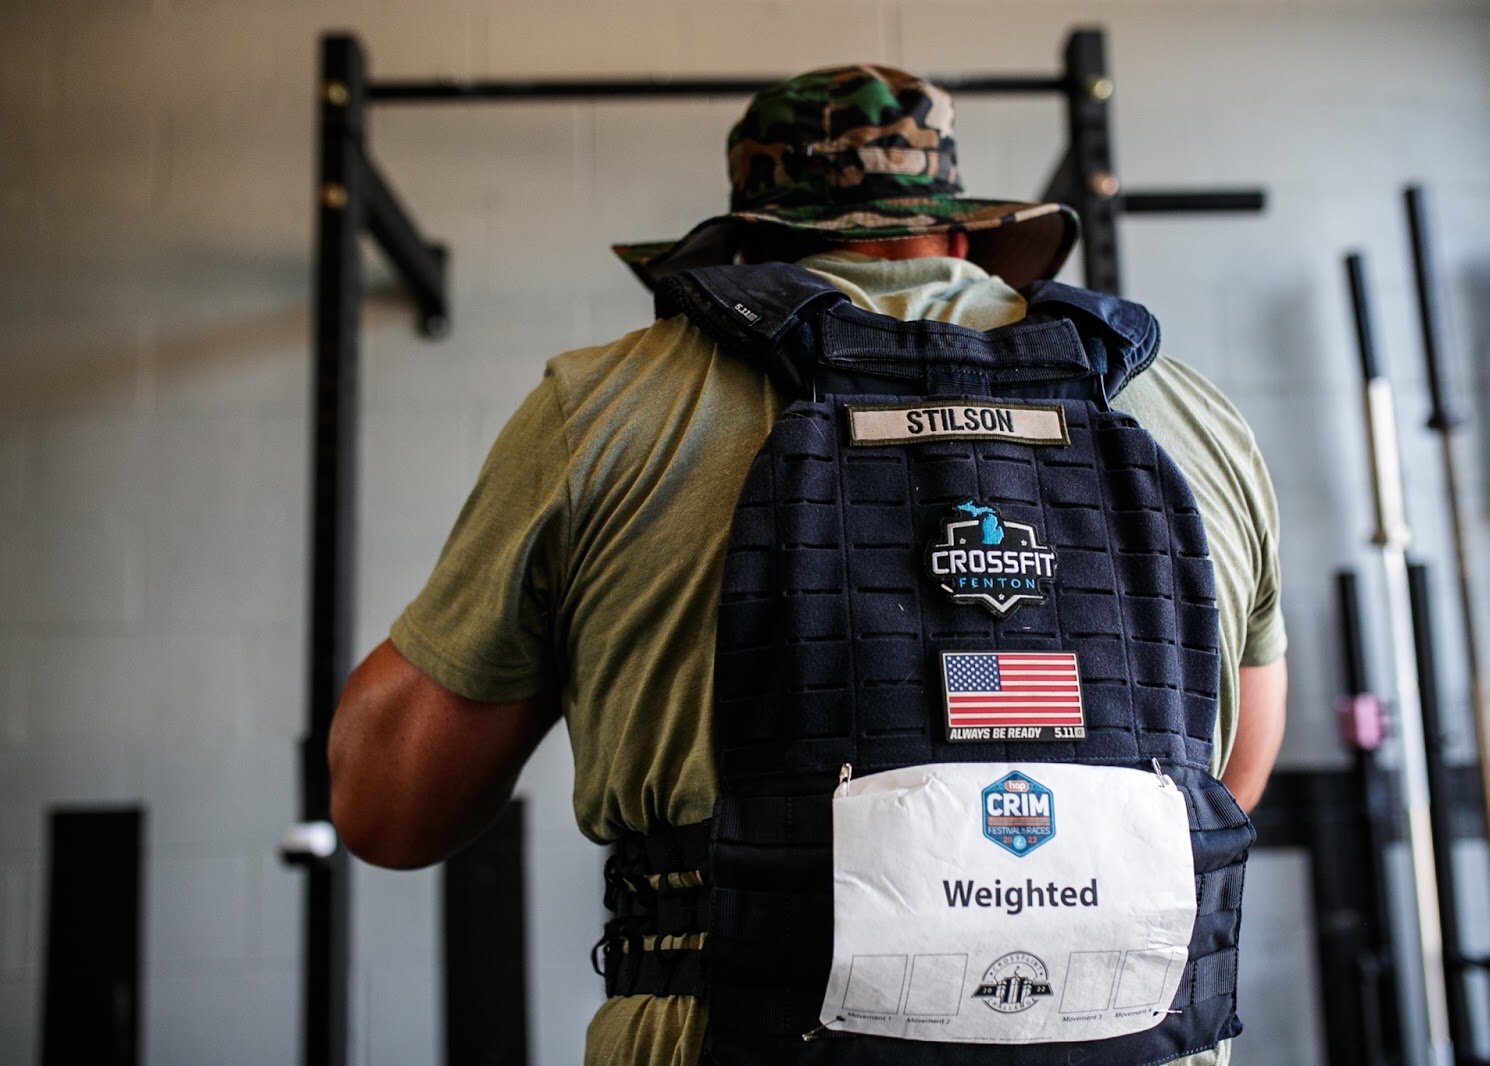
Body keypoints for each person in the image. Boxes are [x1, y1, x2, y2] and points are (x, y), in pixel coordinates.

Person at [329, 65, 1287, 1066]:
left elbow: (387, 809)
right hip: (1122, 1035)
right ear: (962, 239)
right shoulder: (1193, 414)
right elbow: (1234, 772)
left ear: (746, 248)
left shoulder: (603, 407)